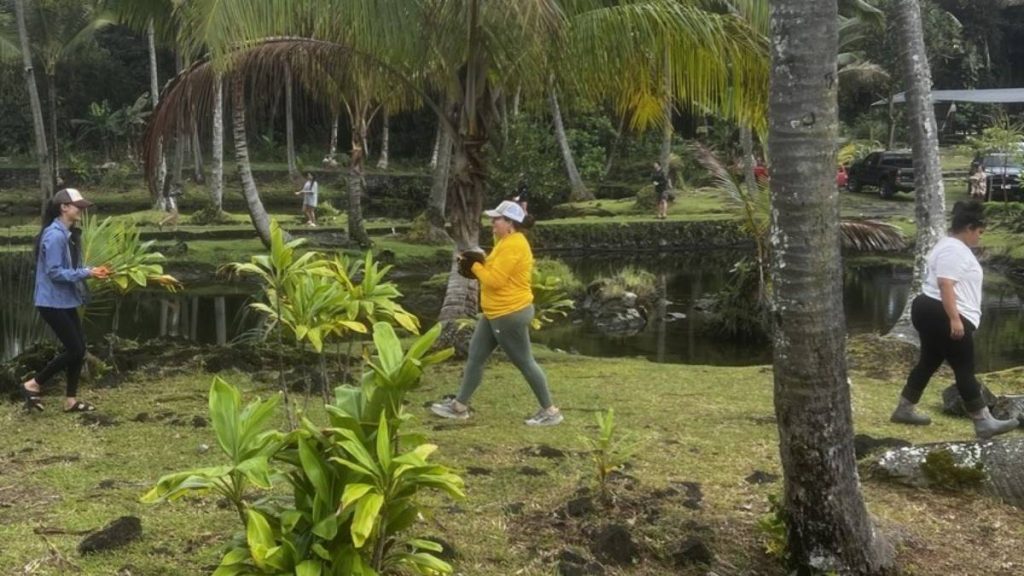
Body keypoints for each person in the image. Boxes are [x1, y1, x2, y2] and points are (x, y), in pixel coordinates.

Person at [890, 201, 1018, 439]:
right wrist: (955, 319)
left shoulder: (947, 245)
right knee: (964, 367)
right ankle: (983, 422)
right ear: (969, 228)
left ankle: (904, 408)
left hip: (932, 310)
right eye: (979, 232)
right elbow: (945, 283)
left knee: (929, 361)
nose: (980, 238)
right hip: (943, 313)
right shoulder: (955, 249)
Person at [430, 200, 563, 426]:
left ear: (510, 223)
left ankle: (550, 411)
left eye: (497, 219)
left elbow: (495, 281)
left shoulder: (515, 245)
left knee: (525, 362)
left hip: (509, 314)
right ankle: (459, 407)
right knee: (476, 355)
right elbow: (495, 257)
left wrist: (473, 266)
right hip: (494, 313)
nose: (492, 222)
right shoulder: (506, 240)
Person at [20, 188, 111, 413]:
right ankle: (33, 384)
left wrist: (91, 270)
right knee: (74, 349)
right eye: (77, 206)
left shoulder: (67, 234)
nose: (81, 210)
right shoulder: (54, 235)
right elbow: (55, 273)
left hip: (65, 300)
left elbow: (70, 268)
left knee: (79, 349)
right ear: (63, 207)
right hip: (51, 302)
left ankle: (70, 400)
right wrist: (87, 273)